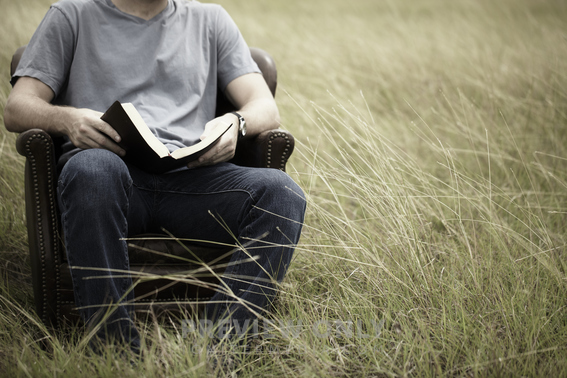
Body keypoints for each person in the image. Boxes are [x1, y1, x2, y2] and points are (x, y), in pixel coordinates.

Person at [4, 0, 305, 353]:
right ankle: (115, 350)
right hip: (110, 178)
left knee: (283, 193)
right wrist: (68, 120)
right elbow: (17, 108)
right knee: (92, 168)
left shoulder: (211, 19)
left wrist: (236, 123)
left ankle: (224, 346)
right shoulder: (70, 15)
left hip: (194, 181)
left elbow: (265, 107)